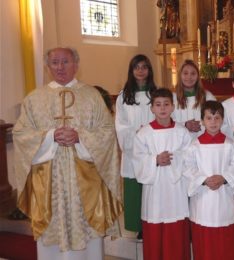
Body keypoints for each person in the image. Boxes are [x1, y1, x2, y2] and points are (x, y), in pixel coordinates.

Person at [13, 47, 123, 259]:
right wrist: (50, 136)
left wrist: (80, 137)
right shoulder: (34, 99)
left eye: (65, 61)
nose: (60, 67)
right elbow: (21, 134)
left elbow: (107, 132)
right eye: (55, 62)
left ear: (76, 65)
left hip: (85, 179)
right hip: (49, 179)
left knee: (87, 234)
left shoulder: (91, 96)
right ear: (48, 67)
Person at [133, 88, 192, 260]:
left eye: (166, 104)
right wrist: (155, 160)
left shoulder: (182, 132)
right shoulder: (144, 133)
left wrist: (175, 158)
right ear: (152, 108)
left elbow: (190, 158)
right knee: (155, 238)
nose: (162, 108)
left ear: (173, 107)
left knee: (176, 237)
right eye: (158, 105)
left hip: (176, 192)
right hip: (155, 193)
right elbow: (138, 160)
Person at [183, 100, 234, 260]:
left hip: (224, 199)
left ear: (223, 120)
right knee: (204, 245)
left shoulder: (231, 145)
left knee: (226, 244)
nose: (213, 122)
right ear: (202, 121)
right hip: (203, 201)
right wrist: (203, 180)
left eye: (217, 118)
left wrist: (224, 178)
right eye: (209, 118)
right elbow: (188, 168)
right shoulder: (194, 146)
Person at [115, 54, 157, 240]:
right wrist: (136, 133)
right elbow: (121, 124)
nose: (141, 71)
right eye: (137, 67)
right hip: (133, 147)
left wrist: (149, 132)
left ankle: (154, 222)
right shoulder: (124, 97)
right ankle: (138, 225)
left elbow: (164, 115)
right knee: (135, 189)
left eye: (144, 67)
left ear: (149, 70)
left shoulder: (157, 93)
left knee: (154, 188)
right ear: (131, 71)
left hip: (153, 148)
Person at [173, 59, 216, 138]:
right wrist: (184, 125)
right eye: (185, 73)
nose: (189, 77)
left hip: (203, 142)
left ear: (198, 76)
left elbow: (217, 118)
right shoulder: (172, 98)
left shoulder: (208, 97)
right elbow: (166, 121)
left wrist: (201, 125)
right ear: (180, 75)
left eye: (193, 73)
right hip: (180, 143)